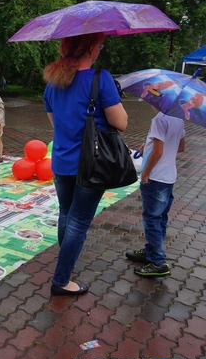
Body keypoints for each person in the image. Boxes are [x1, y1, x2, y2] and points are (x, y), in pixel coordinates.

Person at [43, 32, 128, 296]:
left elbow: (56, 124)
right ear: (92, 48)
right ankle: (61, 279)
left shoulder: (52, 83)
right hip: (91, 164)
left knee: (66, 214)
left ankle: (64, 266)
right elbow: (121, 123)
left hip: (61, 161)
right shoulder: (100, 79)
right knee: (79, 221)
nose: (100, 50)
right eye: (100, 45)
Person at [125, 106, 185, 277]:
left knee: (151, 218)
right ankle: (151, 251)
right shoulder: (178, 118)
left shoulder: (159, 119)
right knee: (160, 217)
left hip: (156, 177)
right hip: (169, 176)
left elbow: (158, 152)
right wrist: (149, 145)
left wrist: (145, 174)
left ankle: (158, 261)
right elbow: (180, 147)